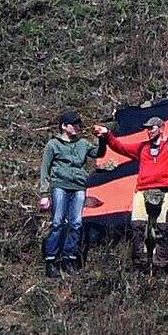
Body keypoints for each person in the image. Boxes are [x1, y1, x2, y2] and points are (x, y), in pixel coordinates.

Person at [96, 108, 168, 273]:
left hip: (165, 190)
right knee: (138, 227)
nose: (149, 131)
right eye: (147, 128)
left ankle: (161, 266)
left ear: (161, 128)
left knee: (163, 228)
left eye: (152, 128)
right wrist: (108, 135)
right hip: (142, 190)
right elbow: (121, 147)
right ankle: (141, 265)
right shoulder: (142, 148)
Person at [38, 110, 102, 278]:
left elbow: (99, 153)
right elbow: (44, 169)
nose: (77, 127)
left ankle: (69, 258)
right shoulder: (53, 145)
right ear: (64, 126)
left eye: (78, 124)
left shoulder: (82, 144)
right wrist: (44, 193)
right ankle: (51, 260)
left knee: (76, 223)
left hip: (79, 187)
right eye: (73, 124)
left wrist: (103, 138)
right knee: (58, 222)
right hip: (59, 185)